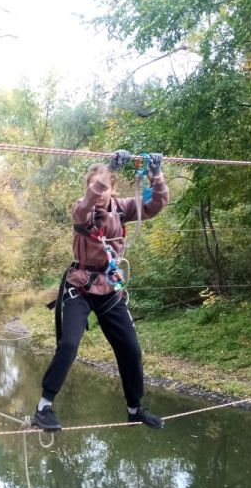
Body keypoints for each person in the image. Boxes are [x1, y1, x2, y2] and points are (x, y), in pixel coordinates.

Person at [32, 150, 169, 432]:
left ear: (114, 188)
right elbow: (88, 201)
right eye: (96, 187)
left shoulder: (122, 208)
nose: (99, 193)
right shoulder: (81, 210)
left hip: (109, 289)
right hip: (79, 287)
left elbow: (155, 205)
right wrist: (107, 169)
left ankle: (134, 409)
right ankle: (43, 408)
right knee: (69, 344)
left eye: (106, 187)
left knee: (130, 350)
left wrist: (157, 175)